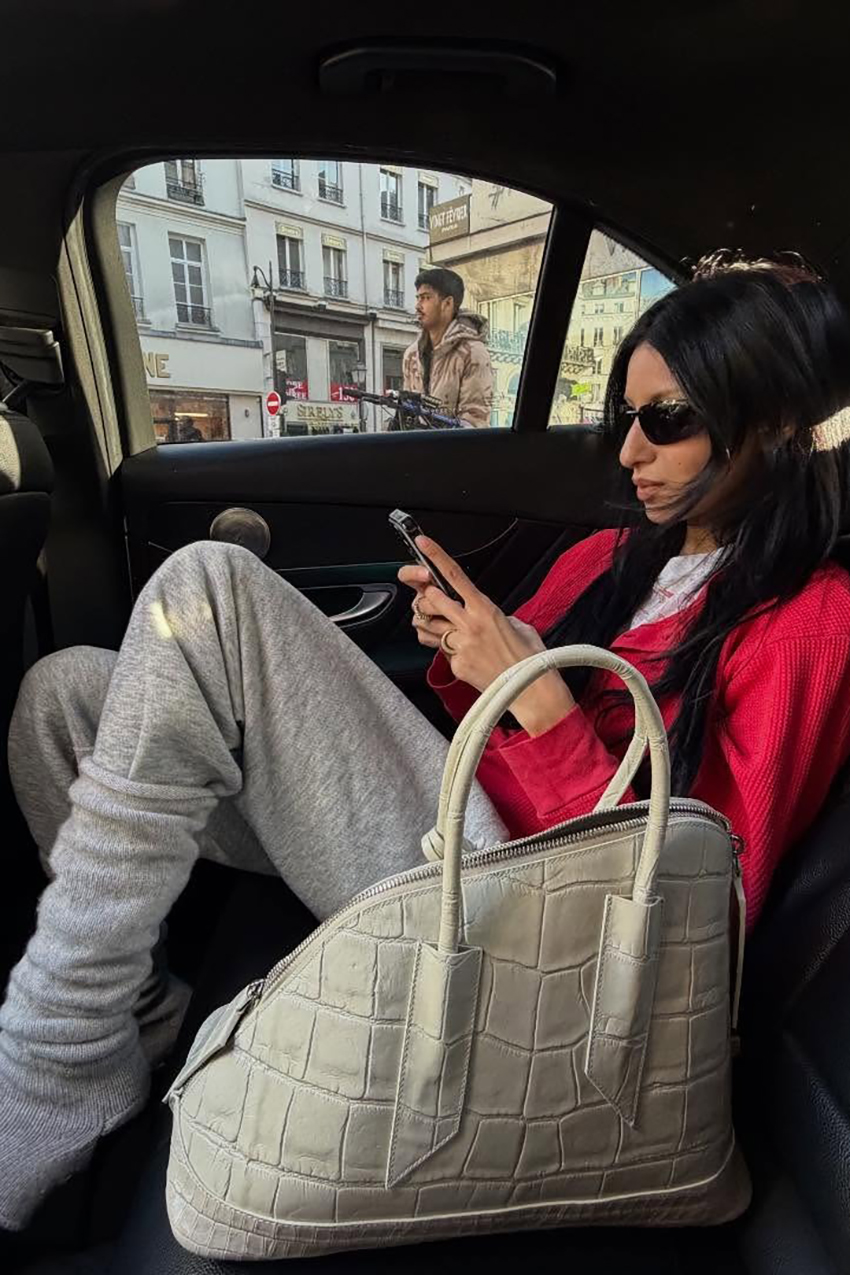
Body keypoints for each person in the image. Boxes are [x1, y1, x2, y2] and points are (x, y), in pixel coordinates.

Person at [3, 250, 850, 1229]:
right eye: (625, 416)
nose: (628, 452)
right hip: (469, 831)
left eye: (667, 420)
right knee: (66, 697)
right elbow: (487, 724)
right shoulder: (615, 554)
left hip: (560, 935)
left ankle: (52, 1069)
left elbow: (696, 909)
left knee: (206, 591)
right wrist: (466, 650)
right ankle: (143, 1019)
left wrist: (534, 698)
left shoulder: (812, 623)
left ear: (773, 425)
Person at [401, 267, 493, 428]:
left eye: (426, 298)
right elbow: (407, 412)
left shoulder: (473, 353)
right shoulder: (412, 354)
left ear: (448, 303)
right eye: (418, 298)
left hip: (453, 444)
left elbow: (475, 421)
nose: (417, 306)